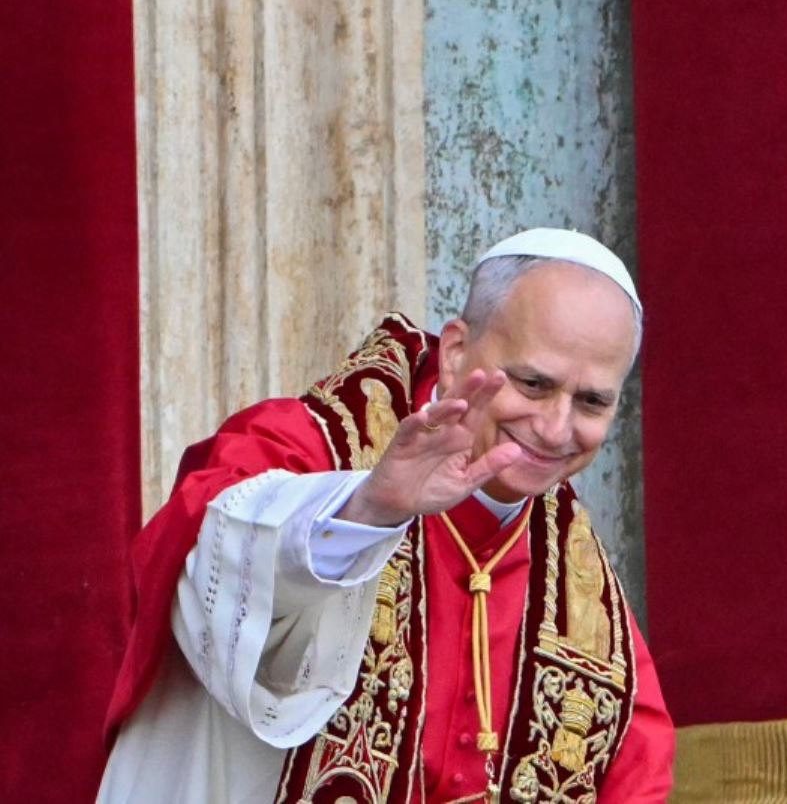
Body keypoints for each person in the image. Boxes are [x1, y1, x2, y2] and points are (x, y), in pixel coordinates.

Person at [98, 229, 675, 803]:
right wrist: (368, 510)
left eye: (592, 401)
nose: (555, 427)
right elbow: (209, 572)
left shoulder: (580, 591)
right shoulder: (305, 443)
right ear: (454, 353)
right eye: (533, 383)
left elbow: (638, 770)